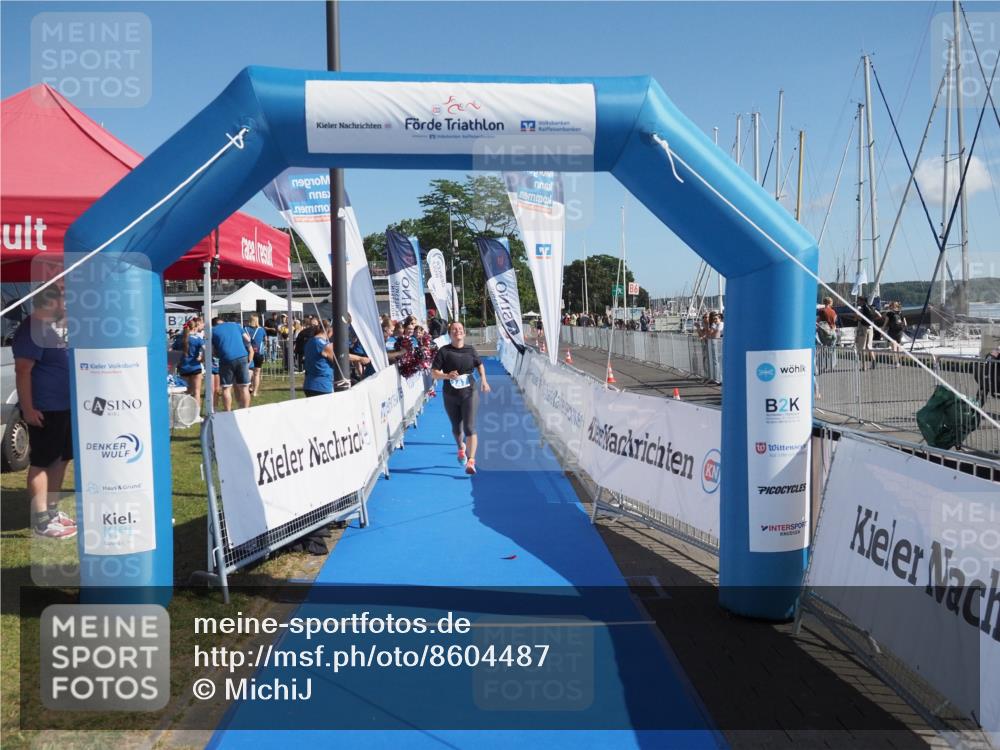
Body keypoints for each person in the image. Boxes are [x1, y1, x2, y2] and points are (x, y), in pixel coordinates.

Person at [12, 285, 77, 539]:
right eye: (64, 299)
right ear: (50, 301)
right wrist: (28, 408)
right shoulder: (32, 329)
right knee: (43, 461)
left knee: (61, 459)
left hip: (64, 406)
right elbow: (23, 371)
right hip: (45, 408)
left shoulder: (53, 328)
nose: (67, 305)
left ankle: (51, 511)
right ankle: (41, 521)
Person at [431, 322, 490, 475]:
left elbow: (480, 365)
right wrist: (446, 375)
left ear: (464, 333)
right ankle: (460, 448)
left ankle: (471, 461)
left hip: (469, 392)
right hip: (450, 394)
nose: (457, 331)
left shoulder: (470, 350)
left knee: (469, 427)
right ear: (450, 334)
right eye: (454, 330)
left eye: (460, 329)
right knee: (456, 428)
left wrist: (484, 380)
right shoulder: (444, 351)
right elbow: (433, 373)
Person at [212, 316, 253, 410]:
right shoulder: (236, 325)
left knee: (226, 388)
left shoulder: (213, 331)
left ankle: (228, 412)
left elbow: (212, 351)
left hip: (226, 358)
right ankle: (245, 410)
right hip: (242, 356)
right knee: (244, 387)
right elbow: (248, 340)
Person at [173, 317, 205, 408]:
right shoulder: (197, 339)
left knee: (185, 392)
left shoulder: (179, 339)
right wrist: (202, 359)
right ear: (194, 328)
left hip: (183, 368)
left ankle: (185, 412)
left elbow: (172, 351)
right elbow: (205, 350)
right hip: (195, 367)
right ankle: (196, 414)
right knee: (196, 392)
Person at [303, 325, 335, 396]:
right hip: (322, 386)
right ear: (328, 331)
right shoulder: (323, 344)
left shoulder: (309, 341)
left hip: (309, 384)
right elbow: (338, 361)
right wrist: (359, 358)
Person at [854, 296, 883, 371]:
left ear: (862, 301)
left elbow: (856, 316)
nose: (857, 302)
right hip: (870, 327)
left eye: (858, 301)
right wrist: (871, 320)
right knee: (869, 345)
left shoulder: (860, 308)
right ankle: (873, 361)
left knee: (862, 347)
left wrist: (860, 319)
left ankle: (864, 366)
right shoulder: (871, 307)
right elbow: (880, 316)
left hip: (862, 328)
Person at [243, 314, 266, 397]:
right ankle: (255, 392)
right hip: (259, 353)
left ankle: (248, 387)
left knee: (249, 371)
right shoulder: (261, 330)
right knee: (257, 373)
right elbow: (265, 340)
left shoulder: (245, 329)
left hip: (248, 352)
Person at [815, 299, 838, 373]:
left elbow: (818, 320)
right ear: (830, 303)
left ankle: (823, 366)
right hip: (833, 333)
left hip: (825, 333)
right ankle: (831, 366)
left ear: (824, 302)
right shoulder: (833, 311)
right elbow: (834, 321)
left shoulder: (822, 311)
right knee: (832, 350)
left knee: (823, 349)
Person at [884, 301, 907, 367]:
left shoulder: (889, 313)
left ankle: (896, 363)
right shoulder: (900, 312)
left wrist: (882, 330)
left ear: (891, 306)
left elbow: (885, 323)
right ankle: (898, 361)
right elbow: (905, 323)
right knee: (898, 347)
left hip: (892, 331)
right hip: (899, 331)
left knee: (893, 347)